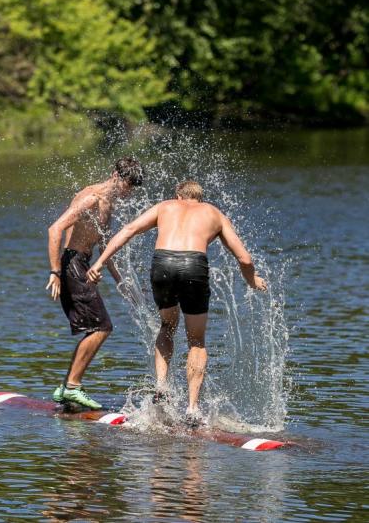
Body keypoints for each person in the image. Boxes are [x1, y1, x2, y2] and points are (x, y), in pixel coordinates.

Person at [87, 180, 267, 423]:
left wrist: (98, 263)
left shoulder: (165, 206)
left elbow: (128, 230)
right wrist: (252, 281)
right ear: (199, 199)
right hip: (194, 266)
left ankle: (161, 388)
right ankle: (192, 409)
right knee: (196, 341)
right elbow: (245, 259)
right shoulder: (214, 213)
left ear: (178, 195)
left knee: (167, 326)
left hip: (162, 264)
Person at [46, 157, 143, 409]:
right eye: (127, 185)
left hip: (82, 264)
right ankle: (72, 387)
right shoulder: (91, 198)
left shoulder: (108, 204)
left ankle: (67, 386)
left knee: (97, 326)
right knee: (102, 327)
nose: (129, 192)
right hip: (71, 265)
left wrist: (121, 283)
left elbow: (103, 248)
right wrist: (55, 272)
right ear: (115, 176)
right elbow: (55, 229)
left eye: (133, 188)